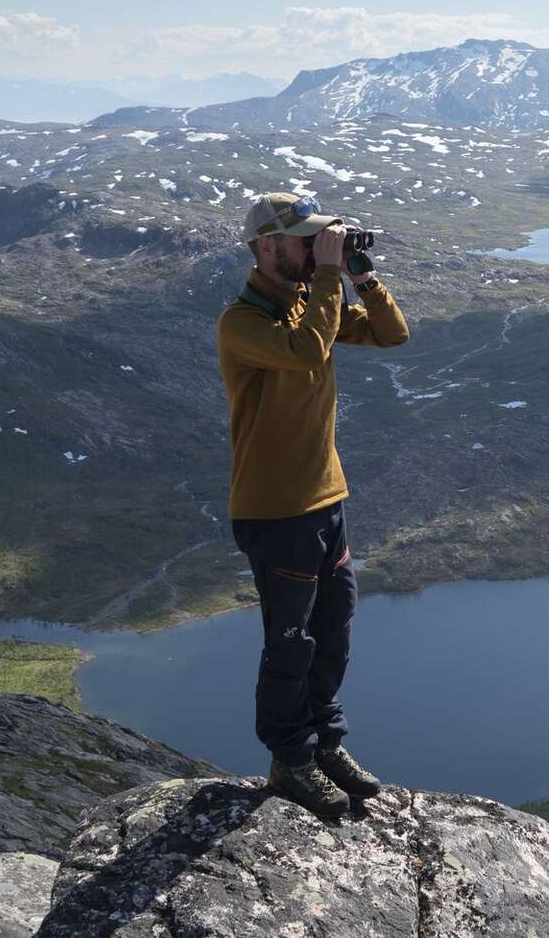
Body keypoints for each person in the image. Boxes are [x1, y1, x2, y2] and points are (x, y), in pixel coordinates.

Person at [216, 191, 411, 820]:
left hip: (326, 499)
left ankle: (325, 743)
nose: (313, 247)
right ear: (267, 246)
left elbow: (391, 334)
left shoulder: (309, 304)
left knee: (334, 628)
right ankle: (289, 760)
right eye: (305, 239)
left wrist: (361, 276)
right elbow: (305, 350)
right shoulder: (243, 321)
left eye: (317, 238)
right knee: (291, 639)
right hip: (276, 508)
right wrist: (329, 276)